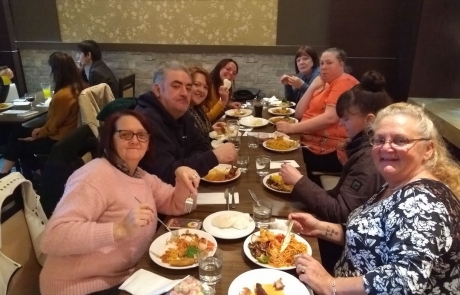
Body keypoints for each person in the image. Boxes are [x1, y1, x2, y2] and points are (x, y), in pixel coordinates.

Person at [291, 102, 460, 295]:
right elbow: (371, 238)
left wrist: (331, 285)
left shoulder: (423, 203)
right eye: (379, 140)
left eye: (400, 140)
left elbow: (405, 281)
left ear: (428, 149)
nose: (386, 148)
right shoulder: (397, 184)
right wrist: (320, 227)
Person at [40, 110, 200, 295]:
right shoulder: (94, 175)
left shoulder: (140, 175)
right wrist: (119, 229)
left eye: (141, 135)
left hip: (126, 279)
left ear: (148, 144)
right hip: (79, 287)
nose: (134, 140)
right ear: (110, 139)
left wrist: (182, 179)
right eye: (125, 134)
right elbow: (53, 237)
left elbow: (181, 206)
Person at [279, 70, 392, 274]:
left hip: (350, 255)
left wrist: (300, 182)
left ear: (369, 120)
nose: (340, 123)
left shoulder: (370, 159)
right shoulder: (365, 147)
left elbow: (342, 214)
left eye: (346, 119)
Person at [135, 61, 237, 184]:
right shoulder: (145, 123)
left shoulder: (182, 114)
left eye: (188, 88)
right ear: (158, 90)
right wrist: (214, 157)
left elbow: (202, 145)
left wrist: (185, 163)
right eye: (176, 86)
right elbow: (167, 176)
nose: (184, 93)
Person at [276, 48, 359, 185]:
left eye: (329, 63)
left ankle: (301, 199)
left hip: (332, 151)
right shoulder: (325, 83)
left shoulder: (344, 82)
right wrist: (312, 87)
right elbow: (299, 113)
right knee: (277, 150)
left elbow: (330, 118)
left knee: (282, 158)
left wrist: (291, 128)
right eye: (321, 63)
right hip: (310, 141)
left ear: (341, 65)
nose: (324, 67)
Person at [0, 52, 84, 179]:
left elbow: (52, 127)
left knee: (19, 143)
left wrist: (38, 134)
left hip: (60, 140)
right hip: (72, 135)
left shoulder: (62, 95)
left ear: (56, 71)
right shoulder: (79, 87)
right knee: (19, 134)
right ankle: (29, 172)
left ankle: (10, 173)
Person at [188, 66, 227, 142]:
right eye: (196, 84)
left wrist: (210, 129)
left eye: (205, 87)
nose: (201, 90)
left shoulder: (197, 107)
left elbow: (199, 133)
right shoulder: (182, 113)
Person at [203, 58, 241, 123]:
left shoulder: (223, 85)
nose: (231, 73)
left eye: (234, 73)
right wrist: (223, 102)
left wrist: (228, 104)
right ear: (219, 68)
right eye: (228, 69)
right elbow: (204, 120)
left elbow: (216, 103)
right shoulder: (207, 86)